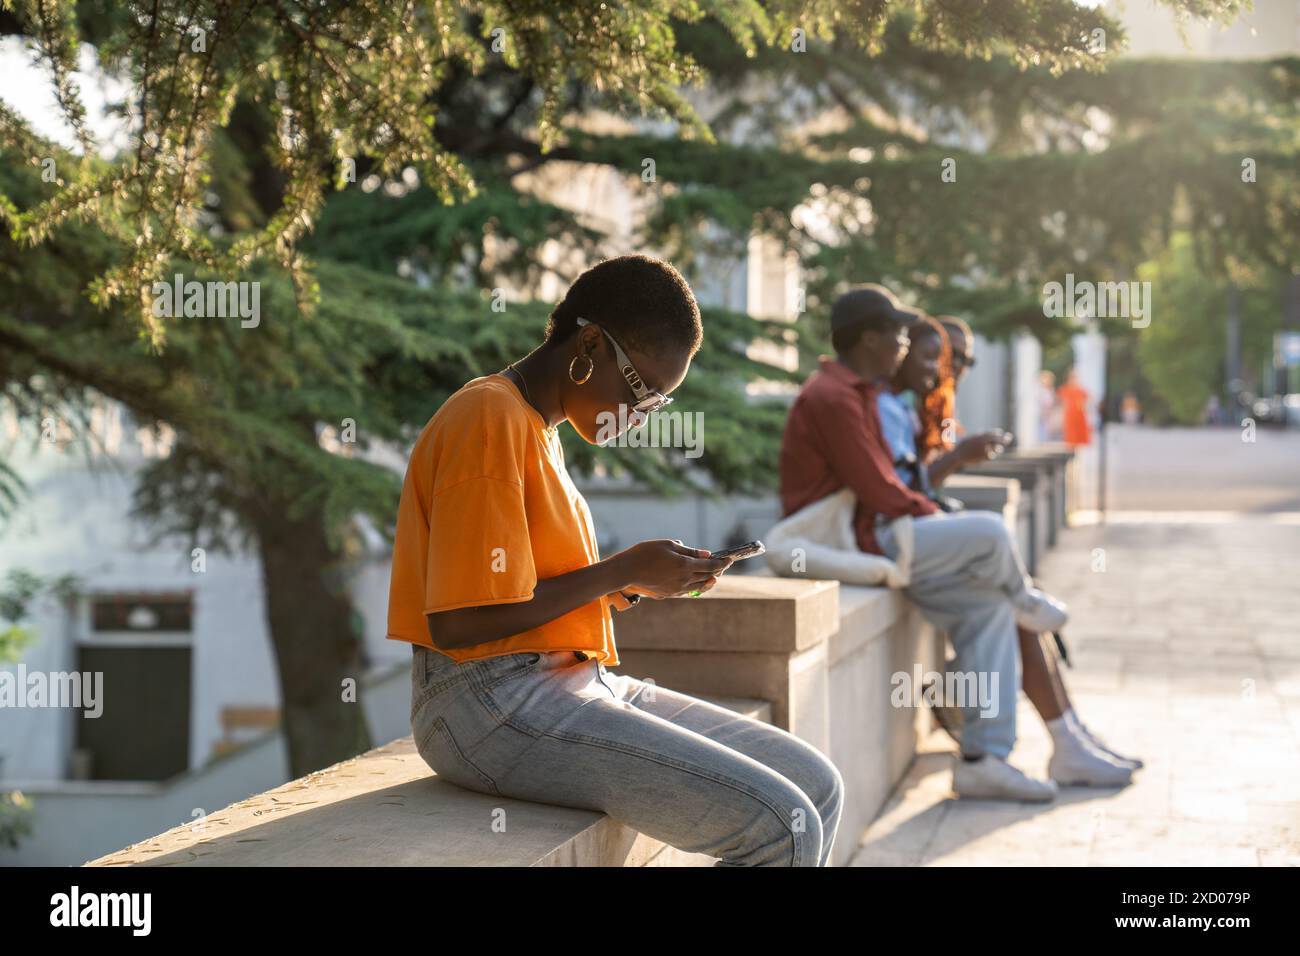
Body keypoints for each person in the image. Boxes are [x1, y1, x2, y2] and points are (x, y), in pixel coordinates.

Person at [386, 254, 844, 866]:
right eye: (641, 390)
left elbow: (524, 592)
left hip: (564, 681)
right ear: (591, 343)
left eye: (657, 403)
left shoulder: (535, 427)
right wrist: (620, 570)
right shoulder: (487, 416)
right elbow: (460, 621)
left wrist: (631, 585)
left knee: (817, 785)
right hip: (486, 705)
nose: (640, 415)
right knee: (781, 829)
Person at [779, 284, 1066, 802]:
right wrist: (931, 510)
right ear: (869, 338)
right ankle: (1026, 597)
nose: (905, 346)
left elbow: (890, 484)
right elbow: (877, 487)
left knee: (988, 609)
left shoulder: (859, 393)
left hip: (875, 532)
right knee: (990, 532)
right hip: (855, 539)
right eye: (897, 335)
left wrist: (926, 506)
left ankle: (983, 758)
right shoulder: (833, 396)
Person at [902, 316, 1141, 785]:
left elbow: (917, 485)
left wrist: (955, 458)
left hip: (925, 534)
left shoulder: (933, 403)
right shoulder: (898, 401)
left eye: (965, 359)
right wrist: (956, 458)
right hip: (901, 546)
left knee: (1015, 606)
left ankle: (1070, 735)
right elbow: (897, 490)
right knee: (1014, 605)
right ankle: (1063, 740)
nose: (957, 368)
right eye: (951, 357)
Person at [1058, 368, 1092, 447]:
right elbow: (1061, 403)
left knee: (1080, 440)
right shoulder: (1064, 389)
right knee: (1071, 439)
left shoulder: (1081, 390)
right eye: (1072, 377)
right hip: (1070, 416)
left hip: (1079, 415)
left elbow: (1088, 401)